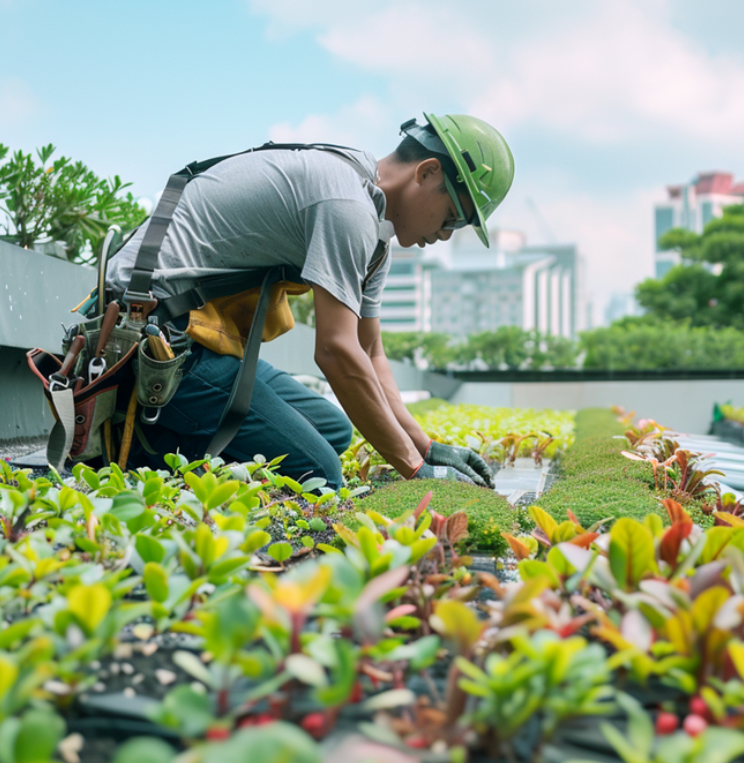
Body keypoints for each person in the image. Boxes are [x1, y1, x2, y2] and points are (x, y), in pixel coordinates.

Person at [103, 114, 515, 489]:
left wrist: (426, 447)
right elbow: (336, 351)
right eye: (453, 217)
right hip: (153, 341)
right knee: (319, 471)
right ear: (427, 172)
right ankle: (148, 444)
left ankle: (186, 438)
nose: (447, 234)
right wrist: (415, 470)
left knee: (334, 430)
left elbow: (369, 350)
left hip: (197, 335)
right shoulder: (345, 204)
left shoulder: (375, 234)